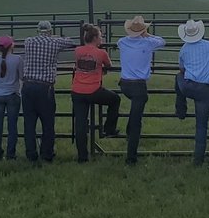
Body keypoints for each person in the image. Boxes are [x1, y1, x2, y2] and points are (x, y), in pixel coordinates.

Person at [20, 20, 78, 164]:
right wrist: (56, 37)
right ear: (50, 31)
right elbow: (70, 42)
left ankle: (31, 154)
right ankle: (47, 154)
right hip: (45, 87)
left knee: (29, 122)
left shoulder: (28, 41)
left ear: (37, 30)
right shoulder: (55, 43)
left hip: (28, 85)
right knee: (47, 122)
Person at [116, 16, 165, 165]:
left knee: (134, 113)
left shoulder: (122, 42)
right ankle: (131, 157)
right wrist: (146, 34)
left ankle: (128, 133)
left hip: (125, 83)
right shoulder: (148, 42)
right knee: (137, 120)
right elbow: (163, 41)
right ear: (143, 30)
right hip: (139, 85)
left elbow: (121, 42)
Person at [70, 24, 121, 163]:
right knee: (115, 99)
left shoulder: (78, 50)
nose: (102, 38)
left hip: (77, 90)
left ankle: (82, 157)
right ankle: (109, 128)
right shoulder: (101, 53)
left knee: (80, 123)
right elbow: (108, 65)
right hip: (93, 90)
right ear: (94, 38)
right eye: (100, 36)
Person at [174, 19, 209, 165]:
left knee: (178, 77)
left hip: (188, 86)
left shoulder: (184, 49)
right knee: (202, 125)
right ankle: (198, 159)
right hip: (204, 89)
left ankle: (180, 107)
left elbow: (181, 69)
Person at [0, 36, 23, 160]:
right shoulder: (17, 59)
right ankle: (11, 154)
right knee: (12, 126)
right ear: (11, 46)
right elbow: (22, 76)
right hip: (12, 94)